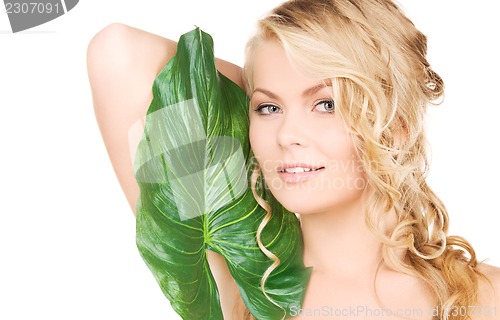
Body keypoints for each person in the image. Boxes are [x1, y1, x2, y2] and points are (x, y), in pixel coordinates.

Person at [86, 0, 500, 319]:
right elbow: (118, 53)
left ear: (395, 126)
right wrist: (262, 83)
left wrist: (276, 88)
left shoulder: (484, 297)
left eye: (325, 104)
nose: (286, 136)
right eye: (268, 110)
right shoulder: (244, 284)